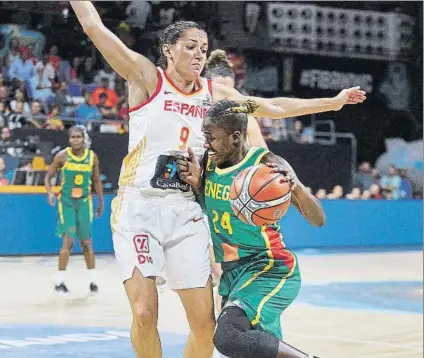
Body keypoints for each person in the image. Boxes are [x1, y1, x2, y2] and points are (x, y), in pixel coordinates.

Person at [70, 2, 365, 357]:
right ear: (168, 49)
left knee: (206, 326)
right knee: (145, 313)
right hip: (138, 209)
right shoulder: (146, 77)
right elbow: (92, 25)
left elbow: (274, 106)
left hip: (186, 211)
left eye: (203, 49)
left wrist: (331, 103)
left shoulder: (216, 95)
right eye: (190, 46)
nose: (198, 54)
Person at [177, 99, 326, 358]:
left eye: (211, 137)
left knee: (227, 335)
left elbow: (318, 219)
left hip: (268, 267)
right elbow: (215, 211)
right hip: (233, 274)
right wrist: (197, 186)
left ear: (235, 137)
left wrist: (296, 188)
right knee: (252, 349)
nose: (206, 143)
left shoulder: (267, 164)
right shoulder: (209, 163)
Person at [204, 49, 268, 313]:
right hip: (198, 197)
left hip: (231, 202)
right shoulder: (193, 112)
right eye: (222, 91)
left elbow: (265, 159)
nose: (227, 99)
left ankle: (233, 332)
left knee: (227, 277)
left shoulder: (245, 120)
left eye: (232, 92)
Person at [44, 125, 104, 294]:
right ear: (69, 140)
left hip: (85, 202)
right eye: (73, 137)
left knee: (86, 242)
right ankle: (59, 282)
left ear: (84, 139)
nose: (75, 140)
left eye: (78, 137)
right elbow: (48, 177)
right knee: (69, 241)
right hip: (67, 202)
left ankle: (93, 282)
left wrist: (101, 201)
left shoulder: (92, 157)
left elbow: (97, 180)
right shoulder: (62, 156)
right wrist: (49, 193)